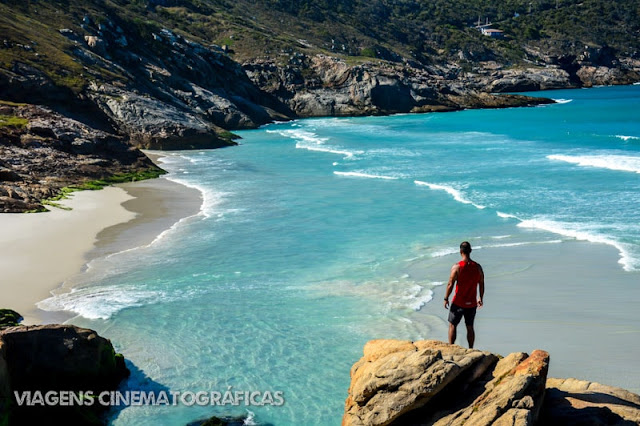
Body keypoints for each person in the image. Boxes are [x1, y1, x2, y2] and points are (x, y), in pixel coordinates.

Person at [443, 241, 484, 348]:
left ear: (460, 251)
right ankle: (471, 349)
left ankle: (451, 347)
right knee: (470, 326)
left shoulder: (457, 267)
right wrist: (480, 297)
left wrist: (446, 298)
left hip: (458, 302)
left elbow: (450, 284)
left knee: (452, 325)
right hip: (472, 303)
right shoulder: (478, 267)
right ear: (470, 251)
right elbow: (482, 283)